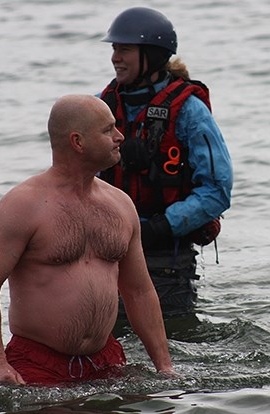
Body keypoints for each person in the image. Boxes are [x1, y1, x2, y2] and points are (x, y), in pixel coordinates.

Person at [0, 94, 175, 385]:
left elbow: (139, 291)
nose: (119, 137)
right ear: (77, 142)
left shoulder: (120, 205)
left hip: (107, 359)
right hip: (37, 364)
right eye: (107, 130)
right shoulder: (22, 206)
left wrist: (164, 366)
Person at [97, 7, 233, 320]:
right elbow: (73, 175)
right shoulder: (101, 107)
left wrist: (158, 228)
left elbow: (216, 189)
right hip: (107, 256)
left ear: (153, 55)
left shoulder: (190, 111)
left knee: (170, 349)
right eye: (114, 49)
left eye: (125, 49)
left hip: (166, 262)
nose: (116, 57)